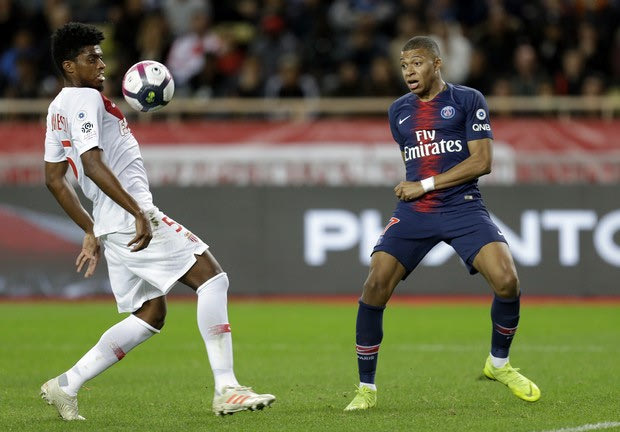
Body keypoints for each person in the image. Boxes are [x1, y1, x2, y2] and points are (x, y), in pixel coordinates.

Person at [40, 22, 275, 421]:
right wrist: (136, 212)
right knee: (212, 279)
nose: (101, 64)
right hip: (129, 216)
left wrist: (90, 229)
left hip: (111, 221)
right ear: (69, 65)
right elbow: (92, 164)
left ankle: (67, 383)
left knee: (151, 313)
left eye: (101, 56)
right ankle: (227, 388)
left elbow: (53, 178)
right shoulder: (84, 99)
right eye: (91, 58)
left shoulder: (57, 107)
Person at [344, 36, 541, 411]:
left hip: (462, 206)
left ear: (437, 64)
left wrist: (425, 185)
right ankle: (366, 388)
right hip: (415, 212)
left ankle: (498, 364)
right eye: (404, 65)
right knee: (375, 284)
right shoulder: (398, 111)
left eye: (417, 63)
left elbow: (482, 162)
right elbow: (419, 159)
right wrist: (419, 188)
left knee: (507, 280)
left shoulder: (468, 100)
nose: (409, 71)